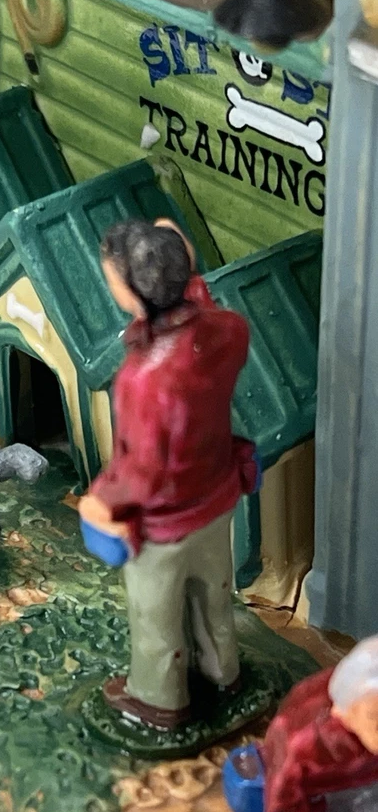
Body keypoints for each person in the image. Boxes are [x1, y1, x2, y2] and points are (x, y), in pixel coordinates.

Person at [78, 218, 259, 728]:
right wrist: (188, 276)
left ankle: (159, 699)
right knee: (214, 596)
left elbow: (141, 471)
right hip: (217, 494)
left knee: (156, 615)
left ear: (134, 294)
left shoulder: (141, 379)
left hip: (163, 524)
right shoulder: (228, 331)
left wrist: (101, 500)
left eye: (113, 278)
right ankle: (223, 672)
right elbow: (207, 316)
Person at [264, 636, 378, 812]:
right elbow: (284, 810)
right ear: (344, 712)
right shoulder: (303, 741)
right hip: (326, 798)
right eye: (376, 721)